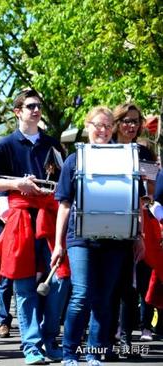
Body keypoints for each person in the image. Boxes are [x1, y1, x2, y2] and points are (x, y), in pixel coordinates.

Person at [51, 106, 143, 366]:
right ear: (87, 126)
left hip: (116, 238)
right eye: (96, 125)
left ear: (112, 128)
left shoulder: (126, 157)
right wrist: (58, 244)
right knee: (81, 294)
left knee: (104, 299)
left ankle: (94, 353)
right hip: (80, 238)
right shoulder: (74, 160)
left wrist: (139, 236)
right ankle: (70, 353)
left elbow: (134, 202)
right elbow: (64, 204)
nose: (101, 130)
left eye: (106, 126)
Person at [0, 89, 70, 364]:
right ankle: (31, 346)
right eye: (30, 106)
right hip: (21, 217)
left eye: (39, 106)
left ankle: (49, 338)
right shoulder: (6, 144)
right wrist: (17, 184)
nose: (36, 110)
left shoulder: (52, 144)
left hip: (48, 215)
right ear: (17, 111)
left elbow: (63, 181)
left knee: (59, 281)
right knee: (23, 286)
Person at [108, 103, 156, 358]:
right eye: (126, 120)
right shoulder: (105, 148)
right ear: (117, 122)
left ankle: (126, 337)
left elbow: (149, 188)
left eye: (135, 121)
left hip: (136, 221)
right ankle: (106, 336)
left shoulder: (145, 152)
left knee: (131, 283)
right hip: (106, 220)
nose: (131, 125)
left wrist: (146, 202)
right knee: (109, 283)